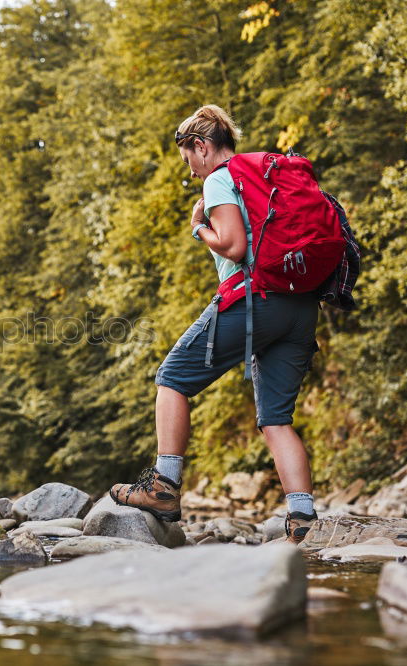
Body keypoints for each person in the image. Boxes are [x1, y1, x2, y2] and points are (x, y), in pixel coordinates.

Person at [108, 104, 320, 543]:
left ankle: (164, 487)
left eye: (189, 160)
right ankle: (302, 519)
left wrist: (198, 227)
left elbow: (234, 245)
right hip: (299, 307)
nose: (190, 173)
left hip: (254, 298)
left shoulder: (221, 179)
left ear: (201, 146)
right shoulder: (264, 178)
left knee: (172, 378)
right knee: (276, 419)